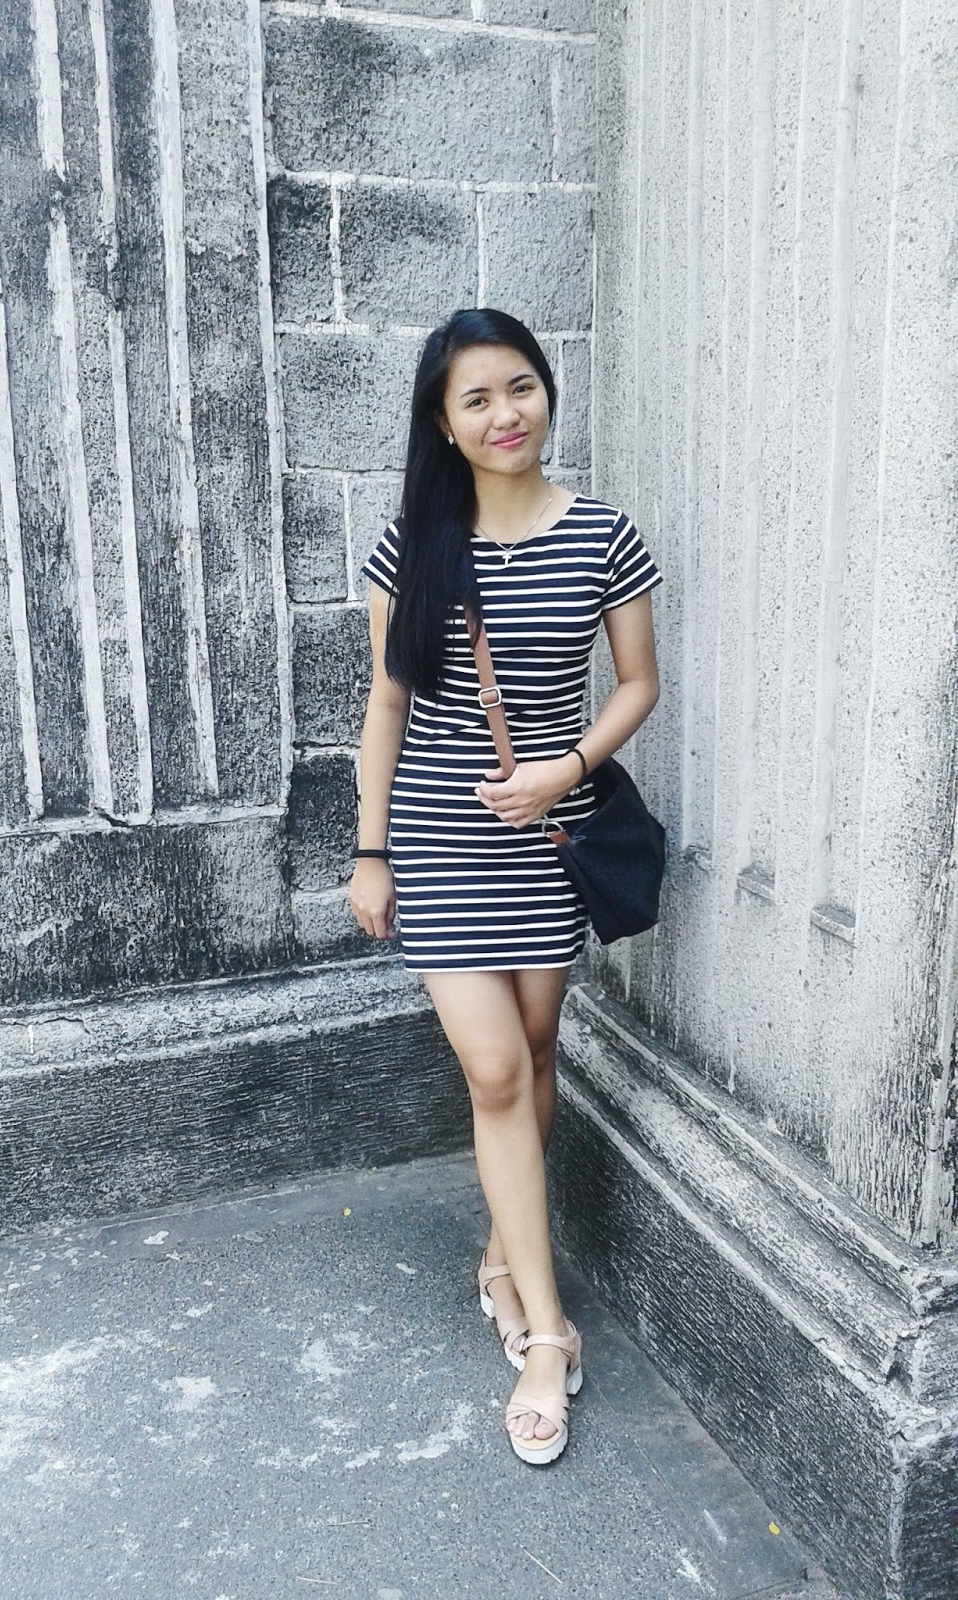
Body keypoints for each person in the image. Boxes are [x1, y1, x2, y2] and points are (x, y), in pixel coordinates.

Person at [348, 308, 662, 1465]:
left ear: (546, 390)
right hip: (438, 836)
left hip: (547, 833)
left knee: (534, 1054)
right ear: (444, 422)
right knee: (493, 1069)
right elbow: (387, 705)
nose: (504, 413)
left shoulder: (604, 536)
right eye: (475, 398)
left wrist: (564, 768)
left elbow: (637, 683)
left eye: (519, 386)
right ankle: (547, 1332)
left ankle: (500, 1251)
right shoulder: (413, 547)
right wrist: (371, 851)